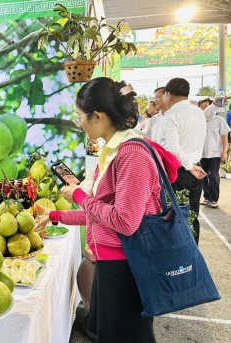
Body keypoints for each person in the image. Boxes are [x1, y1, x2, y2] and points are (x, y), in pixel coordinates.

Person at [35, 77, 180, 342]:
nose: (79, 122)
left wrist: (79, 195)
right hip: (112, 262)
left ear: (98, 116)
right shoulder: (113, 152)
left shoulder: (131, 154)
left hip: (127, 266)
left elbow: (125, 222)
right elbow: (104, 214)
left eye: (80, 116)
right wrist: (55, 216)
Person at [162, 78, 207, 245]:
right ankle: (192, 252)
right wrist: (193, 166)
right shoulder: (198, 112)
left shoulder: (173, 114)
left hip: (180, 171)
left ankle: (179, 258)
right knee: (192, 215)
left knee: (176, 216)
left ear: (169, 95)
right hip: (197, 168)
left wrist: (189, 166)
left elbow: (173, 149)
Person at [200, 103, 231, 208]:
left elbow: (224, 136)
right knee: (203, 175)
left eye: (206, 106)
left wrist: (224, 151)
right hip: (202, 153)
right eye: (202, 106)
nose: (204, 108)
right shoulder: (199, 120)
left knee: (214, 175)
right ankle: (207, 197)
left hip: (215, 153)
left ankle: (214, 199)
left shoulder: (219, 120)